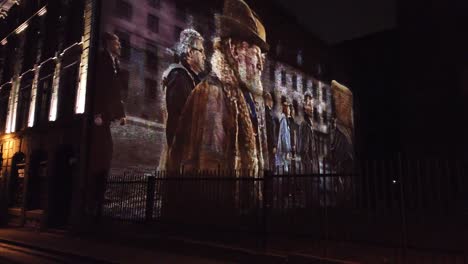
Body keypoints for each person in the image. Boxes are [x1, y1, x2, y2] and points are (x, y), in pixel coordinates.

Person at [167, 0, 269, 176]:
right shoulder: (212, 93)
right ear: (235, 50)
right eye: (256, 53)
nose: (260, 64)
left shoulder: (243, 95)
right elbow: (208, 170)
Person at [89, 33, 127, 216]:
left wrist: (122, 114)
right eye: (117, 42)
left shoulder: (115, 63)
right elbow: (97, 87)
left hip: (107, 115)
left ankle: (98, 195)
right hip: (99, 116)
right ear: (108, 44)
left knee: (106, 153)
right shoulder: (101, 60)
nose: (120, 45)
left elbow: (115, 91)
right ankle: (95, 197)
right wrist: (96, 113)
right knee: (101, 155)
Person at [163, 29, 206, 149]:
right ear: (190, 52)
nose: (204, 57)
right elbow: (184, 118)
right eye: (201, 51)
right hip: (184, 151)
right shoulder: (179, 77)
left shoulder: (190, 77)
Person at [299, 92, 319, 173]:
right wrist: (309, 162)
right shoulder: (305, 124)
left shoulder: (309, 124)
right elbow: (304, 149)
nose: (312, 109)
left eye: (312, 106)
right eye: (309, 105)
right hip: (308, 167)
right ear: (304, 107)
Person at [275, 100, 292, 173]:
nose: (290, 110)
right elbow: (284, 137)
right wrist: (287, 150)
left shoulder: (285, 120)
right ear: (286, 109)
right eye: (288, 108)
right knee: (284, 172)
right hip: (284, 153)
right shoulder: (284, 120)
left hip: (283, 153)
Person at [264, 92, 277, 170]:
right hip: (269, 145)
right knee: (270, 167)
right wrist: (274, 145)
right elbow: (270, 131)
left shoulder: (267, 113)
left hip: (268, 144)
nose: (272, 103)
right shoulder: (267, 113)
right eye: (271, 101)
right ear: (268, 101)